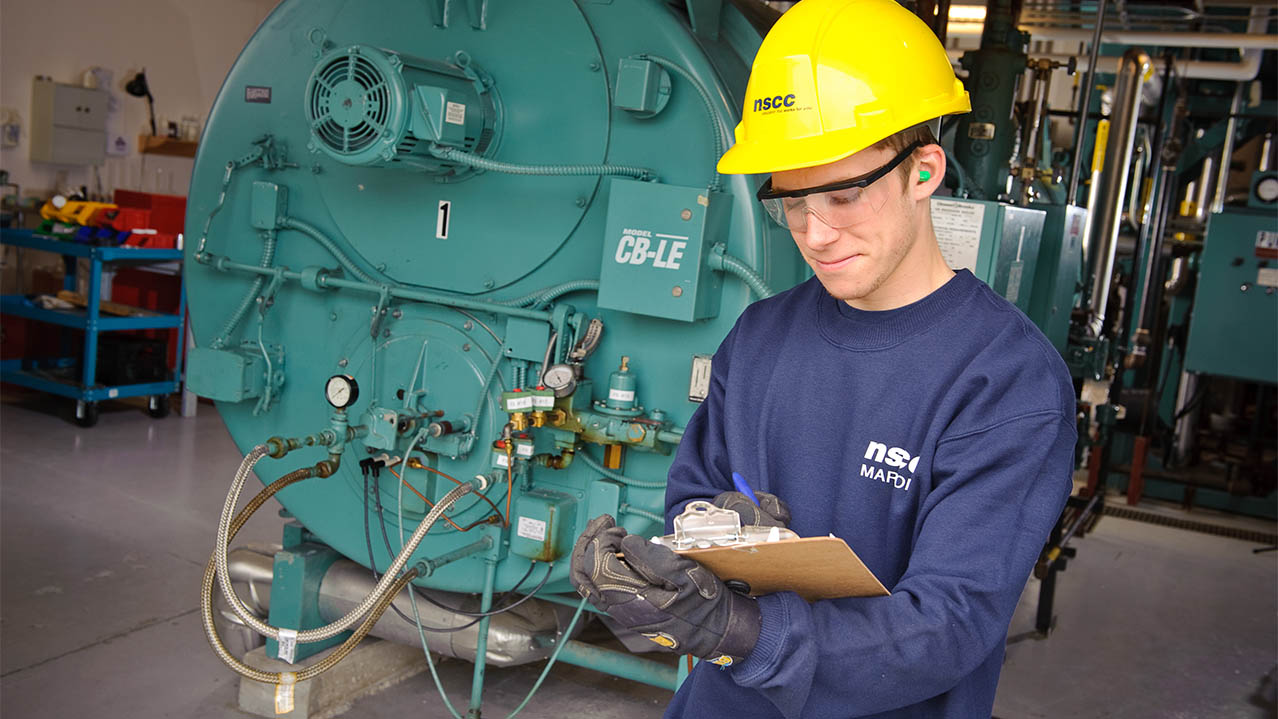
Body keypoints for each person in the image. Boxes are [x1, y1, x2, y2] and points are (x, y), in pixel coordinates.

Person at [569, 0, 1077, 716]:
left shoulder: (1007, 381)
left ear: (925, 171)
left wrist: (743, 628)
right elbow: (690, 493)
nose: (816, 233)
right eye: (792, 202)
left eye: (844, 195)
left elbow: (948, 622)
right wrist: (709, 532)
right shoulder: (761, 334)